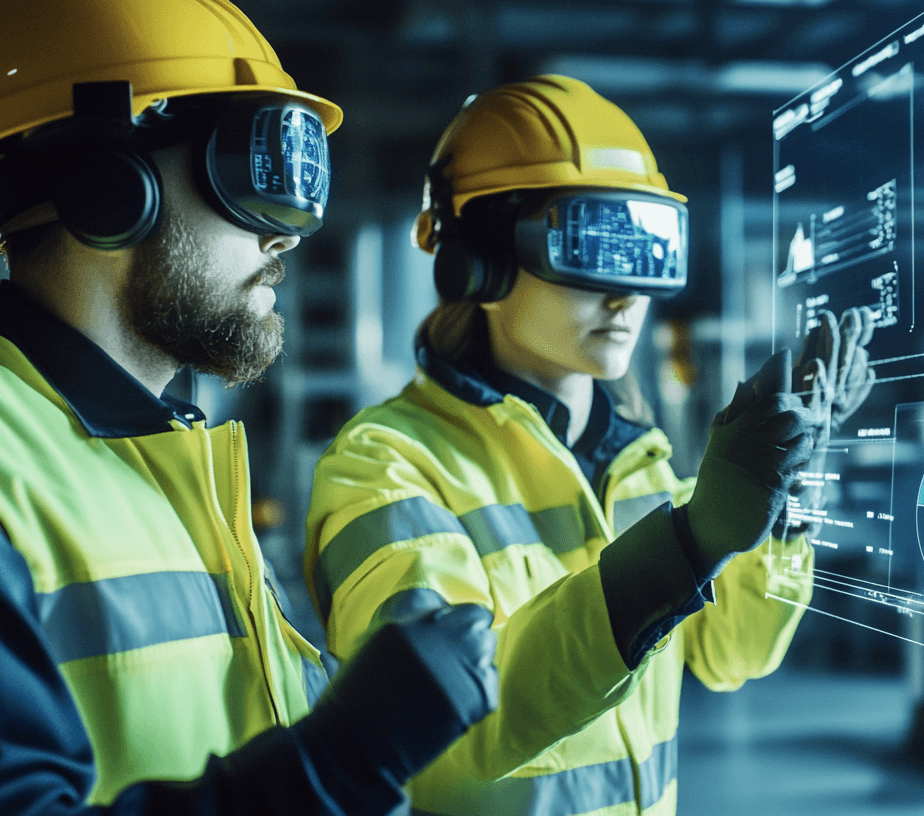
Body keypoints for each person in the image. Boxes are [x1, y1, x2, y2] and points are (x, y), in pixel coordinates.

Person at [0, 1, 498, 814]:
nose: (285, 237)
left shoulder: (167, 474)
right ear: (110, 186)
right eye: (255, 177)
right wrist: (342, 760)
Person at [303, 75, 876, 815]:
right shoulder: (384, 466)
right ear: (478, 256)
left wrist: (786, 499)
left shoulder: (640, 458)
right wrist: (686, 547)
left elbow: (732, 654)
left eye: (647, 250)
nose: (626, 293)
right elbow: (447, 735)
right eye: (589, 244)